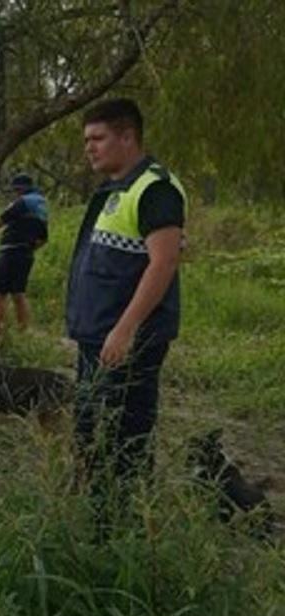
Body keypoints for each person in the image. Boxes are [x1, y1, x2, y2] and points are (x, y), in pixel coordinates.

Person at [67, 98, 186, 536]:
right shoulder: (115, 190)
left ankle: (122, 531)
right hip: (96, 337)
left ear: (127, 137)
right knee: (90, 428)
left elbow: (164, 263)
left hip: (126, 341)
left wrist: (125, 329)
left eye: (98, 138)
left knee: (123, 438)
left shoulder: (155, 189)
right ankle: (97, 521)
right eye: (86, 140)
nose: (89, 148)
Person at [0, 173, 50, 336]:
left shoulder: (22, 203)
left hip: (10, 251)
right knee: (18, 293)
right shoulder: (41, 206)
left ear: (20, 189)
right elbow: (43, 239)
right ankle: (23, 331)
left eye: (15, 190)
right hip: (27, 254)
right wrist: (28, 247)